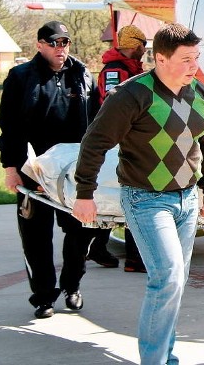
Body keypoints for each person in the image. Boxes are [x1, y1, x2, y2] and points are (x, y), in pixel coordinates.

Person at [72, 22, 204, 365]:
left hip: (186, 200)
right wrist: (84, 192)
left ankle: (165, 356)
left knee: (176, 282)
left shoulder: (198, 92)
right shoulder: (131, 94)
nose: (194, 66)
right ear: (161, 58)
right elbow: (95, 142)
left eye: (196, 57)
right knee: (167, 276)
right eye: (186, 59)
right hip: (146, 199)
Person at [0, 20, 100, 319]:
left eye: (65, 42)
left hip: (74, 171)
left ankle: (72, 285)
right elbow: (10, 126)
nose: (60, 48)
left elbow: (96, 123)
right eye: (54, 42)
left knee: (82, 230)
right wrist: (10, 168)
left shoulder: (82, 74)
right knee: (35, 235)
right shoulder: (20, 77)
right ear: (40, 45)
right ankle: (43, 296)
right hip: (34, 169)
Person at [87, 24, 148, 272]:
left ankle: (98, 248)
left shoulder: (128, 69)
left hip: (124, 138)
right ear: (135, 45)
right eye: (143, 47)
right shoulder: (115, 70)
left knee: (120, 195)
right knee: (134, 193)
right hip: (120, 140)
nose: (144, 52)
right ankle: (134, 258)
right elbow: (115, 103)